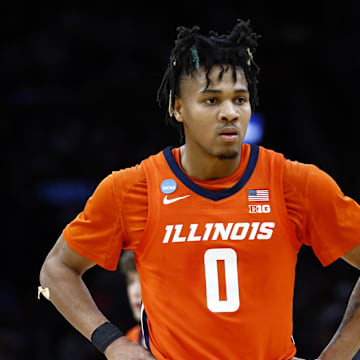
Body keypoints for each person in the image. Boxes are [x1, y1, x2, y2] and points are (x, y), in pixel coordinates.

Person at [39, 19, 360, 360]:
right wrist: (114, 344)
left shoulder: (295, 182)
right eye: (211, 101)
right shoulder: (132, 188)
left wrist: (337, 355)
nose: (229, 113)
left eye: (240, 99)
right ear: (177, 108)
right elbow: (56, 269)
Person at [119, 250, 146, 348]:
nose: (135, 292)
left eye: (143, 282)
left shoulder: (186, 337)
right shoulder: (129, 340)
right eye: (131, 282)